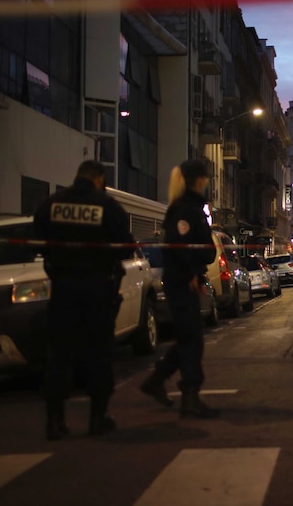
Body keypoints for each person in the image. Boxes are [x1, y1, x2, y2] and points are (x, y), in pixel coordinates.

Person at [33, 160, 134, 440]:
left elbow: (37, 238)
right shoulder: (106, 206)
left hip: (63, 289)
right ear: (99, 179)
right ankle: (96, 419)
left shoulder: (52, 204)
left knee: (59, 355)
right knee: (98, 354)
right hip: (98, 290)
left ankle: (54, 421)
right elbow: (125, 245)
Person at [139, 160, 219, 418]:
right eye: (205, 177)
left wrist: (196, 272)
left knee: (188, 337)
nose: (207, 181)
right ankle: (189, 395)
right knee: (192, 340)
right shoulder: (185, 209)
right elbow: (180, 247)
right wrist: (192, 274)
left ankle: (158, 380)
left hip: (185, 280)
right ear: (198, 180)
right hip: (182, 282)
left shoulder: (188, 207)